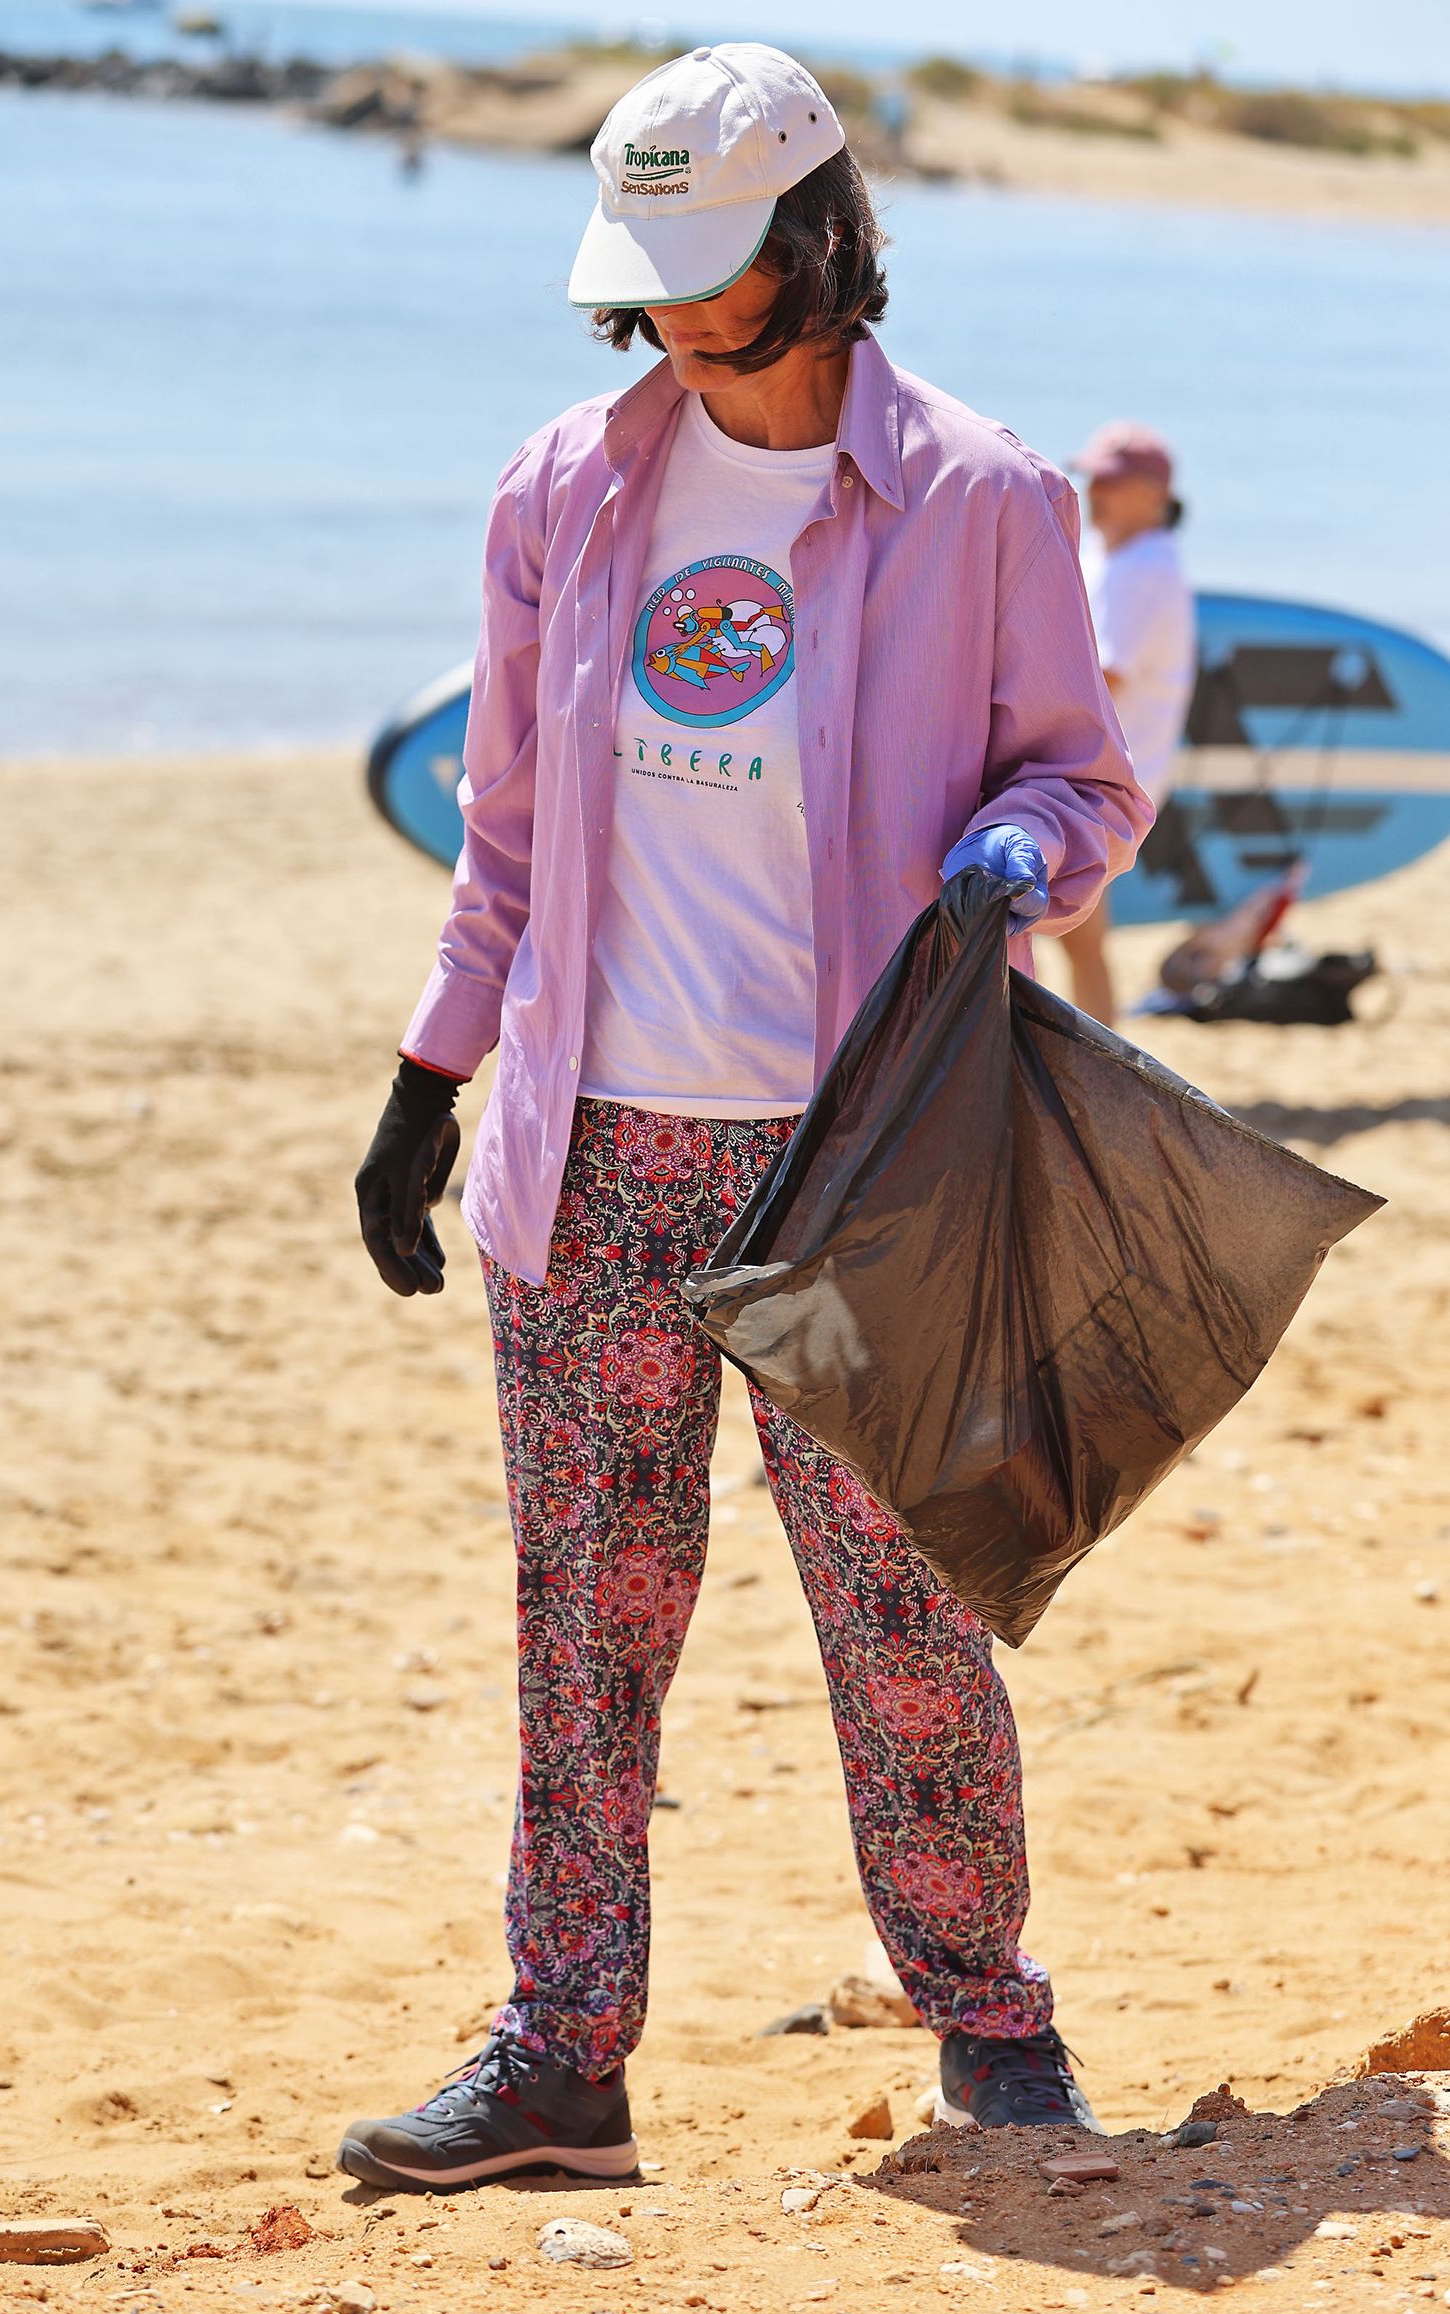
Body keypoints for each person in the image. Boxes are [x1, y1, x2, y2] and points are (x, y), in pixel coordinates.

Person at [341, 42, 1151, 2193]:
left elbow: (1084, 779)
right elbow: (501, 830)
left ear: (820, 243)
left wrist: (1012, 856)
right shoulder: (562, 488)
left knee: (898, 1627)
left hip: (854, 1173)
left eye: (728, 294)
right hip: (592, 1144)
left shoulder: (979, 497)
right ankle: (560, 2056)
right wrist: (433, 1076)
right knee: (587, 1620)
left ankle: (990, 2024)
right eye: (660, 303)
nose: (691, 341)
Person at [1059, 422, 1196, 1024]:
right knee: (1075, 932)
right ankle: (1097, 1069)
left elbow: (1102, 677)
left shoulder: (1146, 565)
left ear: (1152, 494)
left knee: (1066, 927)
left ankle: (1092, 1071)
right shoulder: (1115, 554)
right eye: (1091, 477)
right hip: (1099, 771)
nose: (1096, 492)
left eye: (1111, 480)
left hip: (1105, 776)